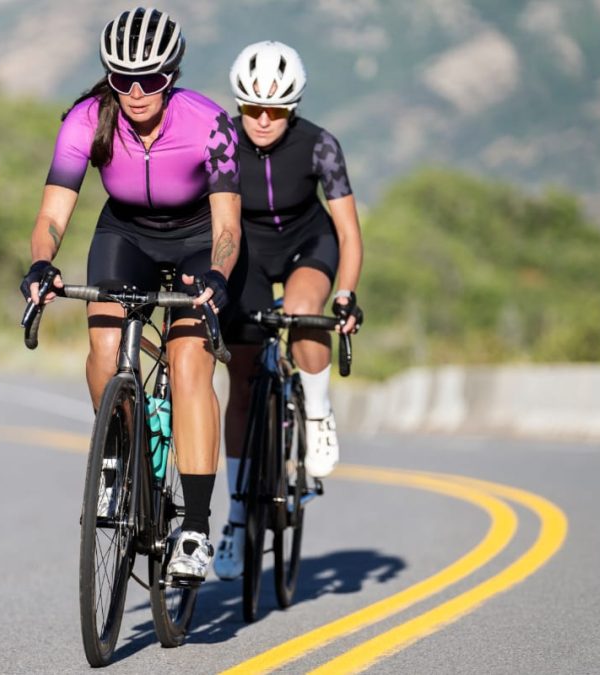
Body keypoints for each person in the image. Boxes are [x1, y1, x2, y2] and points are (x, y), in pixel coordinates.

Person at [20, 7, 242, 582]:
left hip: (197, 239)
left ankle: (193, 527)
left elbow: (226, 228)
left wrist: (218, 274)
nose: (137, 92)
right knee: (102, 347)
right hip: (126, 234)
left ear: (173, 73)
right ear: (109, 77)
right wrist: (42, 263)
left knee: (189, 362)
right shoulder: (86, 120)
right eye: (123, 79)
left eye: (151, 79)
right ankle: (118, 460)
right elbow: (53, 210)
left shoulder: (209, 123)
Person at [213, 41, 364, 580]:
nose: (261, 119)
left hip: (308, 243)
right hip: (248, 250)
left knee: (302, 312)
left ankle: (319, 415)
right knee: (244, 376)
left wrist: (344, 293)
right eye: (251, 108)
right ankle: (234, 518)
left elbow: (347, 231)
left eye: (274, 110)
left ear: (292, 106)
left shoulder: (321, 145)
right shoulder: (222, 138)